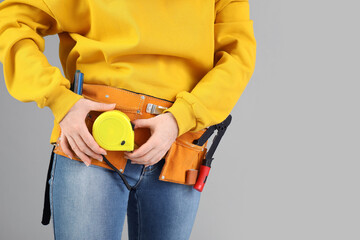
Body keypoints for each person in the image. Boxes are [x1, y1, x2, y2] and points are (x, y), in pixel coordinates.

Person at [0, 0, 256, 239]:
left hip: (177, 147)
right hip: (95, 138)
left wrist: (182, 117)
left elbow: (238, 55)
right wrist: (59, 99)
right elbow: (12, 20)